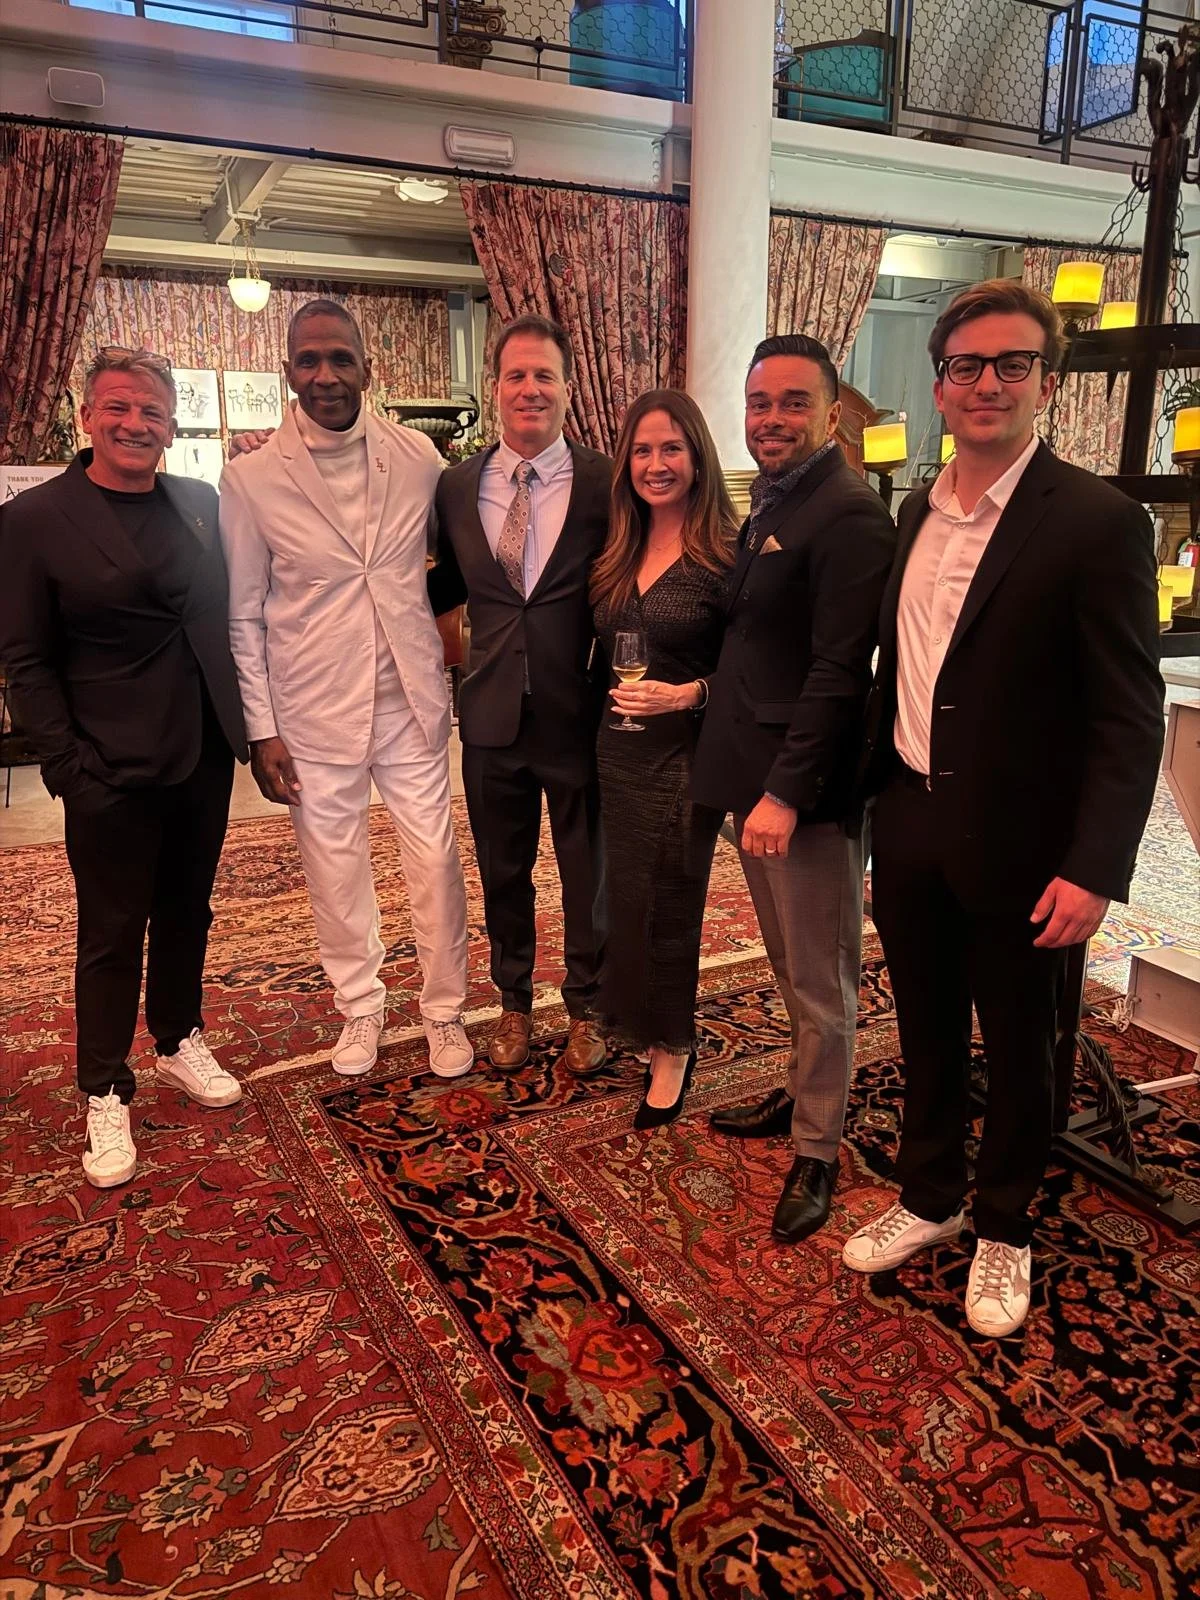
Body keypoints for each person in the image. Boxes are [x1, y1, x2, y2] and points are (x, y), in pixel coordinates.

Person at [842, 280, 1164, 1338]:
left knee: (1025, 1044)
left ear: (1046, 384)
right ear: (938, 387)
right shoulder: (911, 513)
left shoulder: (1100, 522)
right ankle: (930, 1195)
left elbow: (1128, 712)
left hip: (1029, 846)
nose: (987, 383)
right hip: (913, 821)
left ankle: (1007, 1226)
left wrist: (1096, 865)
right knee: (927, 1027)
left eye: (1011, 364)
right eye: (967, 365)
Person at [0, 347, 247, 1188]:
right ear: (86, 417)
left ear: (171, 425)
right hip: (106, 764)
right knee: (111, 932)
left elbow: (218, 618)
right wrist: (67, 768)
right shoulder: (36, 520)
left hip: (204, 752)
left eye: (152, 410)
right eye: (118, 408)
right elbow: (25, 658)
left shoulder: (200, 502)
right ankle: (105, 1085)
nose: (136, 423)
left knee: (189, 910)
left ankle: (179, 1037)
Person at [220, 301, 473, 1081]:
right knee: (334, 869)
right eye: (308, 361)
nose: (325, 376)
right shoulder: (251, 479)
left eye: (340, 358)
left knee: (433, 859)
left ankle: (444, 1012)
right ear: (288, 371)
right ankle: (360, 1007)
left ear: (367, 366)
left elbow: (446, 568)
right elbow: (243, 613)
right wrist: (261, 729)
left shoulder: (421, 457)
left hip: (408, 697)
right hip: (311, 707)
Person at [691, 334, 896, 1243]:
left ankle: (818, 1148)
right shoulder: (774, 498)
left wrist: (783, 792)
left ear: (831, 410)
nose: (771, 419)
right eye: (759, 402)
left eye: (791, 403)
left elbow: (838, 673)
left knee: (823, 980)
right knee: (787, 965)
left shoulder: (848, 513)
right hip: (757, 775)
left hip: (802, 790)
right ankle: (805, 1092)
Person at [428, 315, 611, 1077]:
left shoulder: (608, 480)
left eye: (545, 376)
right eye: (516, 376)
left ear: (568, 389)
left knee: (585, 869)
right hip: (492, 715)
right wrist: (457, 668)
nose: (530, 389)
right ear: (495, 388)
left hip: (580, 713)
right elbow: (440, 588)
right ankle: (512, 1004)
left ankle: (590, 1007)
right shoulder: (456, 484)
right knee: (504, 870)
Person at [590, 390, 738, 1126]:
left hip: (687, 756)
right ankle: (637, 1024)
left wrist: (687, 697)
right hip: (616, 753)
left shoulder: (727, 554)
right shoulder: (617, 545)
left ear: (697, 458)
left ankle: (674, 1045)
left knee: (672, 902)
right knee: (626, 900)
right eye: (644, 450)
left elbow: (752, 672)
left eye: (671, 449)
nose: (656, 464)